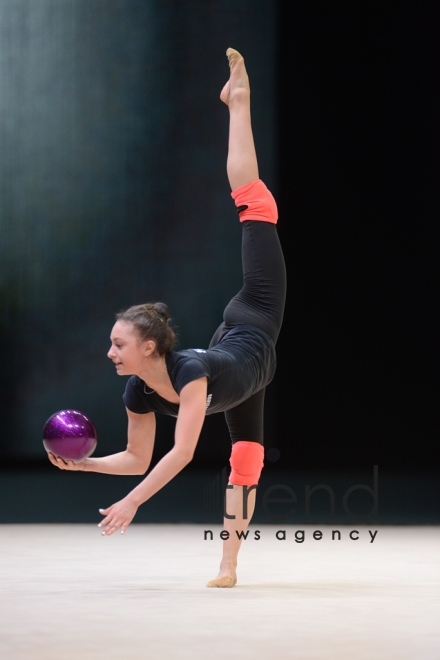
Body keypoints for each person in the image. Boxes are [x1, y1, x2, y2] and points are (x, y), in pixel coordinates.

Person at [48, 48, 286, 588]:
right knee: (247, 462)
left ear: (150, 348)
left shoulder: (189, 376)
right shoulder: (138, 391)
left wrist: (131, 504)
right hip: (243, 373)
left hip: (254, 320)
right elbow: (137, 457)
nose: (110, 353)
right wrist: (84, 465)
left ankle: (239, 101)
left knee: (254, 204)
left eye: (118, 345)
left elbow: (179, 454)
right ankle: (230, 565)